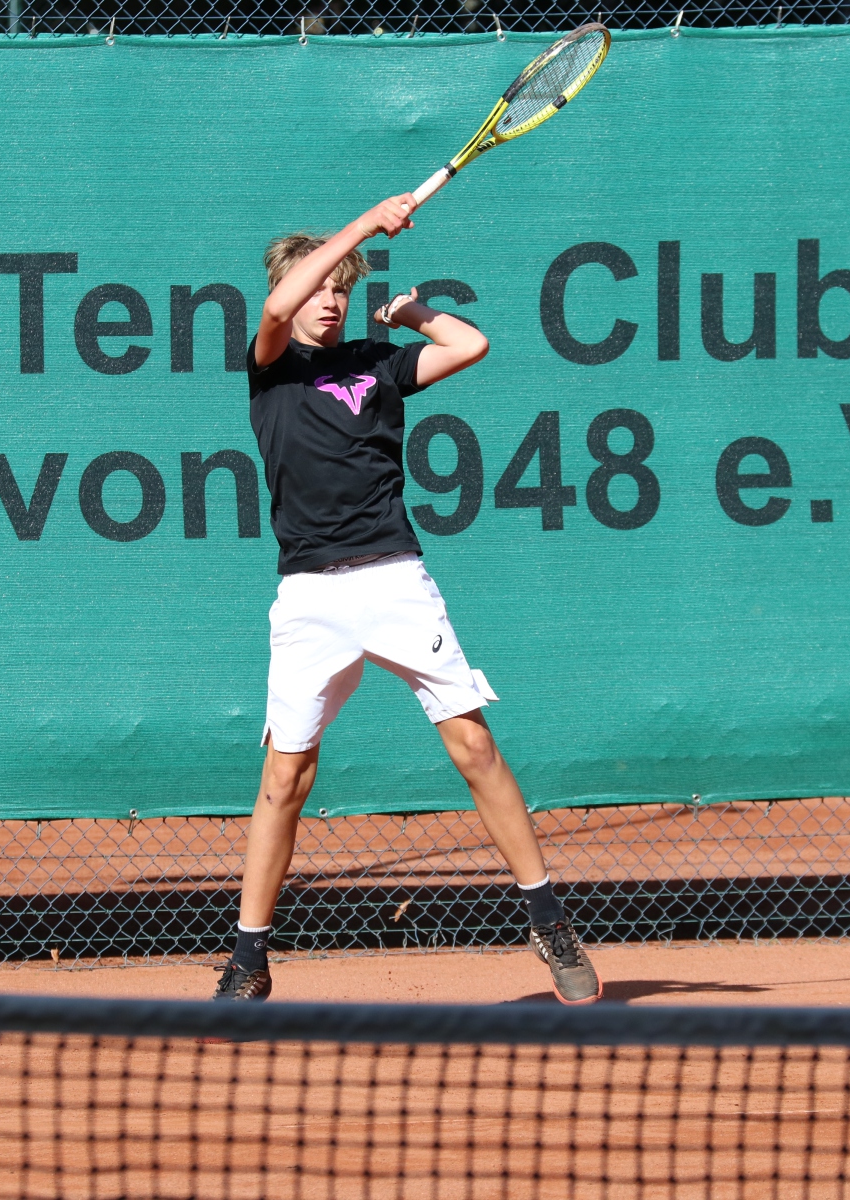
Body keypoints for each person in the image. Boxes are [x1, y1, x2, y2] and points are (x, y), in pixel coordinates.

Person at [212, 193, 601, 1006]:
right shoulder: (270, 364)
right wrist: (362, 225)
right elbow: (277, 310)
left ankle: (548, 920)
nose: (329, 301)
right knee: (286, 778)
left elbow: (470, 344)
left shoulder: (378, 363)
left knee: (473, 747)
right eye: (319, 287)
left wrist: (411, 312)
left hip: (395, 578)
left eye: (341, 291)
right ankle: (249, 962)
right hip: (309, 595)